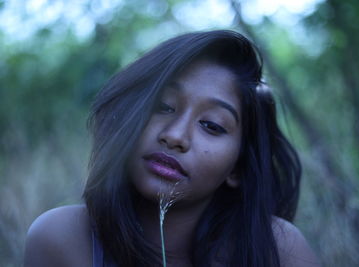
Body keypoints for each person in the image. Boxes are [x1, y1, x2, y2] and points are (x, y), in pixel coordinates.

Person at [24, 30, 320, 267]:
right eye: (163, 106)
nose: (175, 135)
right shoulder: (62, 239)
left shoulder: (277, 249)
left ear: (238, 167)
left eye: (212, 125)